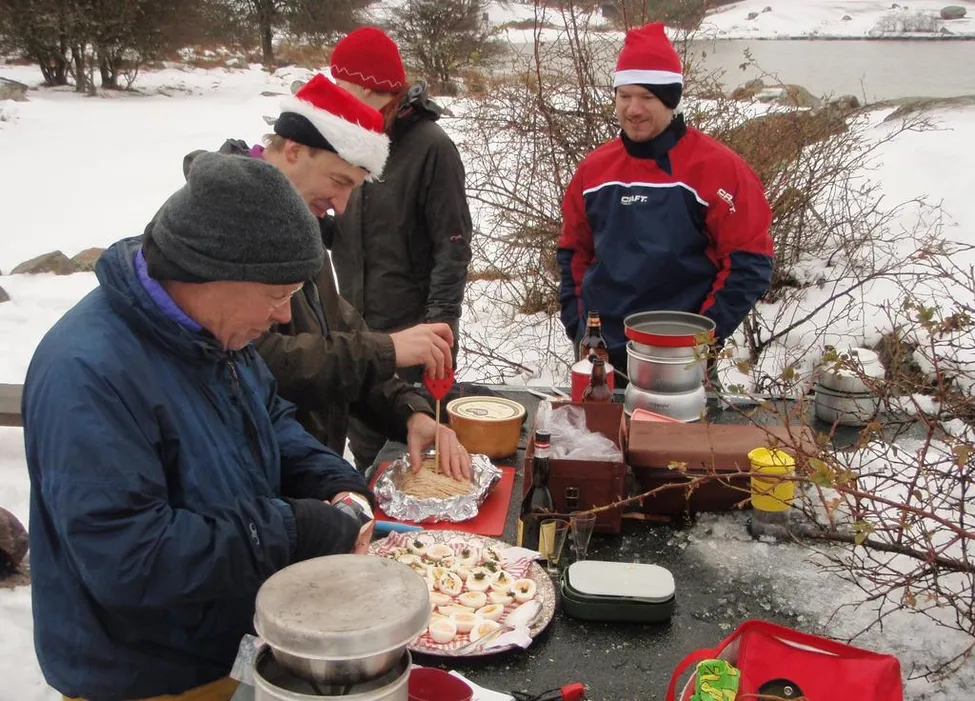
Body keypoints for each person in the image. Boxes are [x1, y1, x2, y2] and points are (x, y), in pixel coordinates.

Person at [22, 154, 376, 701]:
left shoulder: (212, 331)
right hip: (143, 676)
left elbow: (269, 419)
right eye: (278, 295)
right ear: (214, 274)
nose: (285, 316)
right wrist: (291, 531)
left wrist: (331, 480)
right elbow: (129, 561)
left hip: (223, 645)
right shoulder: (88, 373)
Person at [185, 73, 472, 480]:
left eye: (353, 189)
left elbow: (338, 331)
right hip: (255, 479)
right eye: (339, 182)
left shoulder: (300, 221)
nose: (341, 206)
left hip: (309, 471)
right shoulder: (222, 224)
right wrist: (387, 349)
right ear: (293, 150)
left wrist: (408, 412)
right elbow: (256, 359)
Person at [557, 22, 774, 377]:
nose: (633, 109)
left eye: (647, 97)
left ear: (671, 100)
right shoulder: (594, 170)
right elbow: (572, 254)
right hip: (599, 355)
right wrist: (578, 327)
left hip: (680, 359)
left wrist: (701, 343)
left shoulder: (719, 169)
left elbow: (749, 263)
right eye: (624, 96)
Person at [325, 27, 473, 471]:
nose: (335, 97)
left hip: (413, 334)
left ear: (372, 89)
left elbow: (453, 246)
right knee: (365, 454)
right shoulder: (349, 140)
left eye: (343, 86)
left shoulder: (431, 148)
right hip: (354, 330)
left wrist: (439, 332)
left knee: (410, 455)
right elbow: (344, 227)